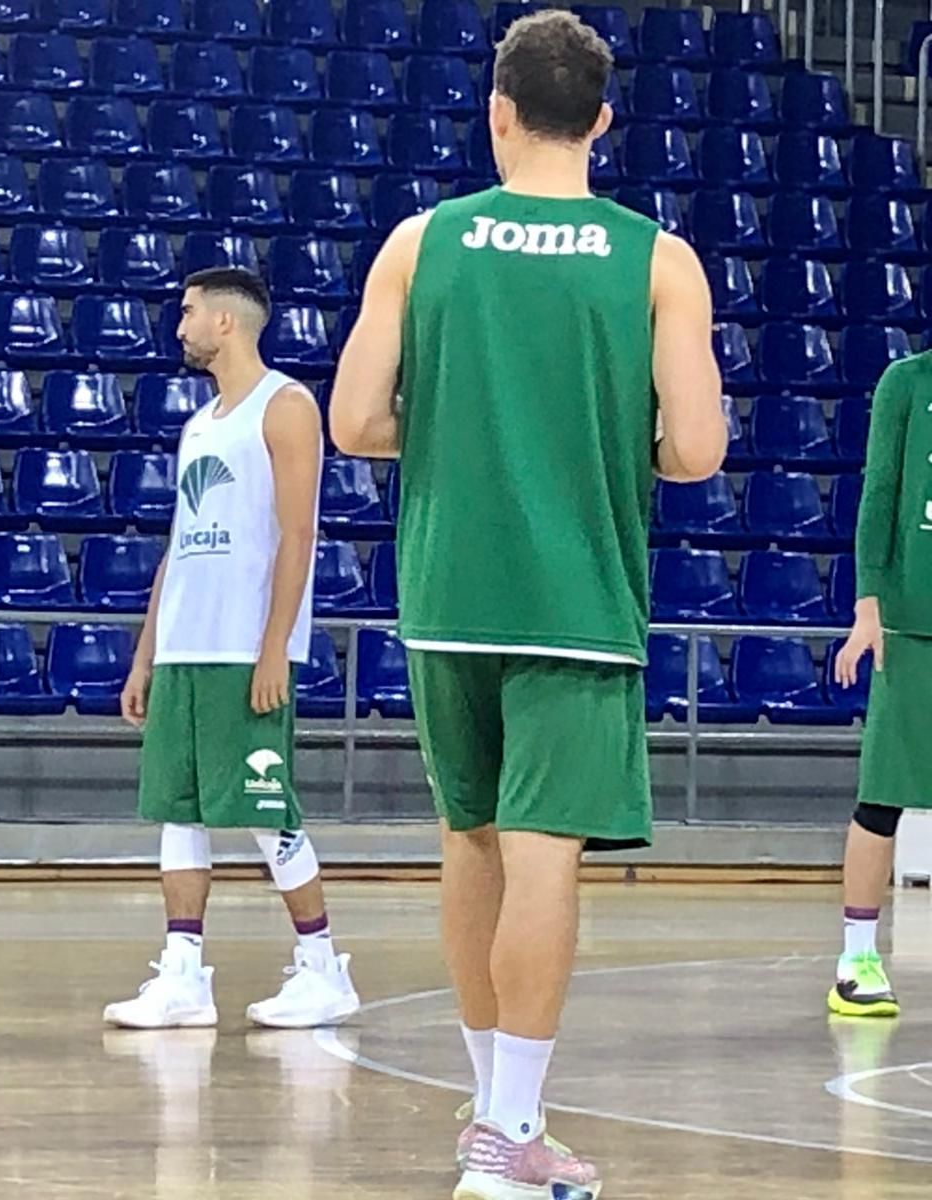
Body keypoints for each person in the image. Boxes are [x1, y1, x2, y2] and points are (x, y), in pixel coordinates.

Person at [329, 12, 725, 1198]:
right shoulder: (655, 259)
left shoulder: (418, 242)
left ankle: (491, 1113)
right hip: (576, 598)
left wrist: (448, 433)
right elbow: (697, 449)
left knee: (470, 844)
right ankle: (508, 1132)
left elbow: (354, 423)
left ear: (496, 109)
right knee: (546, 858)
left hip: (448, 592)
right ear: (601, 118)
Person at [103, 267, 360, 1031]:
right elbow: (179, 546)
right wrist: (147, 653)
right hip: (187, 645)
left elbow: (299, 534)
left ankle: (322, 966)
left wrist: (276, 646)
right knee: (178, 810)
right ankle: (183, 972)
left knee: (262, 807)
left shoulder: (284, 407)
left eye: (187, 313)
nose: (178, 325)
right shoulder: (198, 424)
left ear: (225, 322)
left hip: (243, 647)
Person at [827, 351, 932, 1019]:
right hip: (913, 623)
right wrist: (869, 608)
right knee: (884, 797)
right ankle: (856, 958)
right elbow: (880, 498)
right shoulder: (906, 383)